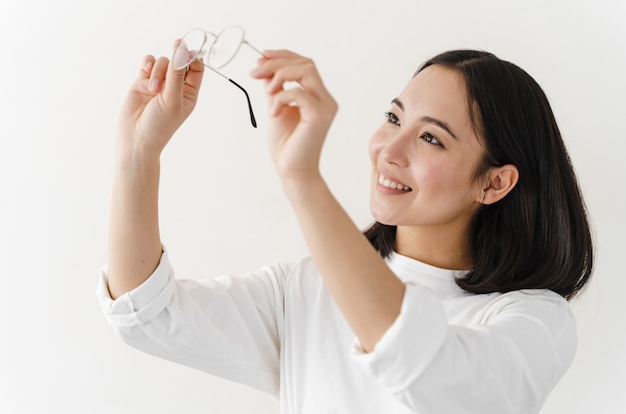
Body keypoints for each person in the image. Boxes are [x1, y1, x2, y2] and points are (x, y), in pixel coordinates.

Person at [98, 42, 593, 413]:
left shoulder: (534, 322)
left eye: (430, 138)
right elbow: (148, 316)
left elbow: (433, 374)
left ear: (495, 182)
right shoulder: (306, 289)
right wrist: (138, 153)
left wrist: (302, 179)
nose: (390, 151)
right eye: (393, 118)